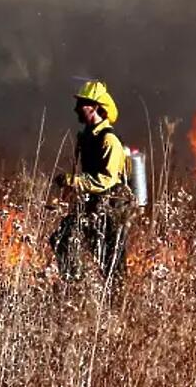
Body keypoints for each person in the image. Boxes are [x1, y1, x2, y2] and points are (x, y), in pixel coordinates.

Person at [48, 80, 134, 291]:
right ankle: (76, 289)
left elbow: (107, 179)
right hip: (92, 202)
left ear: (95, 107)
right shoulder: (87, 137)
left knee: (111, 261)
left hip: (112, 206)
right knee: (61, 239)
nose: (76, 109)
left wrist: (73, 181)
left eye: (82, 104)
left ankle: (117, 303)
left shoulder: (109, 140)